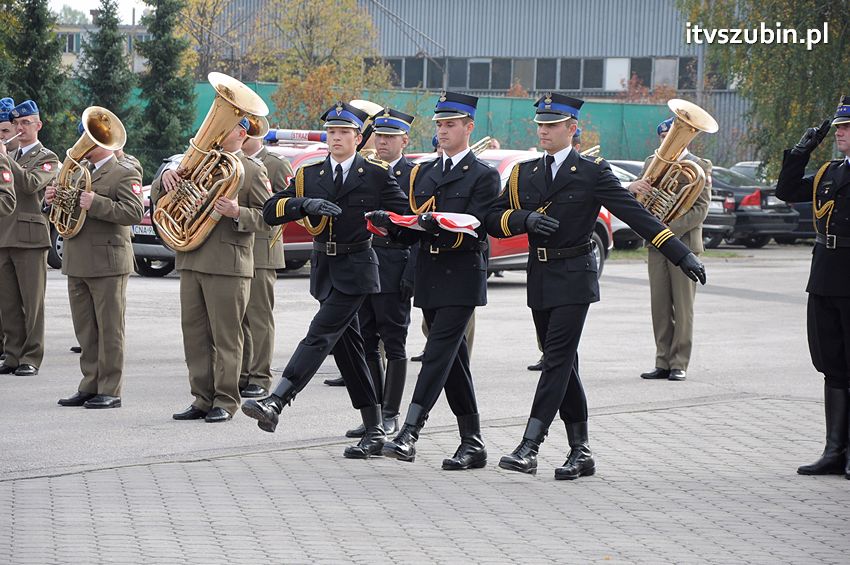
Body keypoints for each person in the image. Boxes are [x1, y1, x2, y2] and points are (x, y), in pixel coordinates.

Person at [485, 93, 706, 479]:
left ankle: (529, 446)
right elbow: (493, 216)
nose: (543, 131)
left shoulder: (592, 172)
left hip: (575, 276)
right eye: (540, 125)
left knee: (555, 361)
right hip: (540, 276)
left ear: (572, 129)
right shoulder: (524, 173)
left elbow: (636, 215)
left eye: (552, 125)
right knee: (563, 364)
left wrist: (681, 254)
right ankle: (581, 451)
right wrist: (524, 220)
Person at [241, 102, 409, 460]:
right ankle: (374, 430)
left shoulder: (375, 174)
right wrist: (303, 205)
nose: (336, 138)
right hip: (324, 268)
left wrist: (385, 220)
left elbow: (404, 218)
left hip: (357, 267)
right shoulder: (310, 174)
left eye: (344, 132)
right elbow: (271, 210)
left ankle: (277, 400)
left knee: (319, 333)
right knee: (349, 354)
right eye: (332, 132)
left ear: (358, 138)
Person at [371, 91, 500, 470]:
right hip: (429, 275)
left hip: (462, 275)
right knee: (453, 361)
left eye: (450, 124)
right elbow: (413, 227)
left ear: (469, 127)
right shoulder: (424, 173)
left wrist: (433, 225)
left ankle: (410, 432)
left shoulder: (483, 175)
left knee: (437, 353)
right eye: (440, 124)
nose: (442, 131)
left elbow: (476, 227)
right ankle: (472, 442)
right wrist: (390, 226)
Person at [153, 118, 270, 423]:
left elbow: (268, 217)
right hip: (191, 258)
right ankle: (202, 398)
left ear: (241, 133)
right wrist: (165, 177)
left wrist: (238, 212)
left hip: (228, 264)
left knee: (226, 337)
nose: (215, 130)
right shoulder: (194, 163)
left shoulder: (252, 169)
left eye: (225, 126)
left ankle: (226, 400)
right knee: (194, 335)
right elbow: (160, 199)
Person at [775, 96, 850, 479]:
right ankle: (834, 450)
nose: (839, 133)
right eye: (838, 127)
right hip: (825, 275)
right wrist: (801, 152)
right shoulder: (829, 172)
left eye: (847, 127)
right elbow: (787, 190)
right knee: (831, 364)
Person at [52, 118, 143, 409]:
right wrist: (52, 199)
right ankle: (89, 384)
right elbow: (66, 208)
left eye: (89, 139)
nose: (82, 144)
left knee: (110, 329)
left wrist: (97, 203)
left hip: (108, 261)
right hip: (77, 259)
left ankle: (110, 389)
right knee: (86, 330)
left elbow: (134, 212)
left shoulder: (124, 172)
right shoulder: (77, 172)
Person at [344, 107, 416, 438]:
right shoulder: (365, 171)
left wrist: (411, 274)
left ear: (404, 140)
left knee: (394, 342)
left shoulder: (413, 176)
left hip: (394, 266)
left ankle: (391, 413)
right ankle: (372, 414)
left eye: (390, 137)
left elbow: (418, 227)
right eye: (379, 136)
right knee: (367, 342)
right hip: (363, 265)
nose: (382, 142)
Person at [629, 117, 712, 382]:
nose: (667, 140)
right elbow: (638, 201)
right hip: (657, 246)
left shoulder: (699, 166)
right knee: (660, 306)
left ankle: (679, 362)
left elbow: (701, 209)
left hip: (684, 244)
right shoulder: (650, 163)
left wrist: (666, 232)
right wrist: (635, 189)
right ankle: (662, 361)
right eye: (664, 136)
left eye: (672, 135)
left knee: (683, 307)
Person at [0, 100, 59, 377]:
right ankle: (12, 355)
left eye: (26, 123)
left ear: (38, 126)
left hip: (31, 237)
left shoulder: (47, 157)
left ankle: (32, 356)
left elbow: (30, 184)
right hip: (4, 235)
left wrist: (5, 159)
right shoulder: (9, 153)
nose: (20, 128)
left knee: (32, 303)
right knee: (8, 302)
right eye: (16, 124)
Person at [238, 132, 292, 398]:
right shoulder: (231, 162)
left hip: (261, 248)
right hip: (235, 248)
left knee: (259, 317)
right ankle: (242, 372)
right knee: (238, 319)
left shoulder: (276, 164)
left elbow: (285, 208)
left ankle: (260, 376)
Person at [0, 97, 19, 360]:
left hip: (22, 236)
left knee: (23, 304)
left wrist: (5, 160)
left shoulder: (44, 157)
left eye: (5, 130)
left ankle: (26, 354)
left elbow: (9, 200)